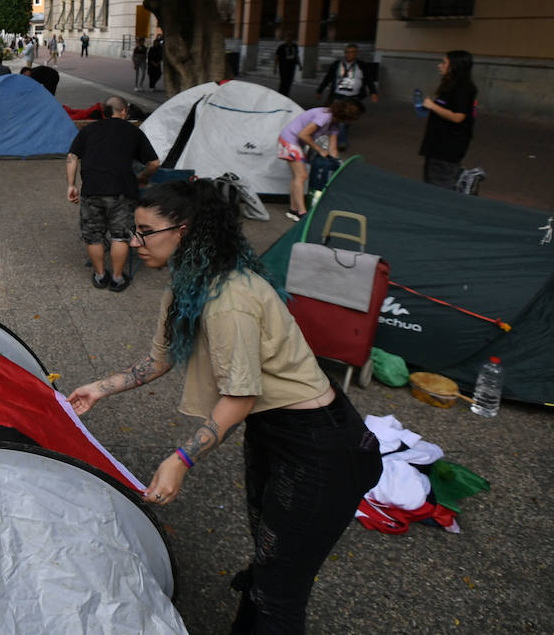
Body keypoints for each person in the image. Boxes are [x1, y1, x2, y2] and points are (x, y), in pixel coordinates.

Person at [68, 179, 382, 634]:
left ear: (186, 230)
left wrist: (180, 459)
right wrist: (99, 388)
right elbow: (159, 359)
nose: (134, 242)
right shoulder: (187, 285)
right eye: (133, 231)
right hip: (275, 432)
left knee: (280, 588)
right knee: (269, 559)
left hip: (322, 446)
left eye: (144, 231)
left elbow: (240, 396)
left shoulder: (228, 300)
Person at [66, 96, 159, 292]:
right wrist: (143, 178)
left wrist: (71, 185)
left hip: (92, 190)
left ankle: (100, 276)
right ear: (124, 111)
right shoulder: (133, 131)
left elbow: (72, 157)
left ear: (104, 112)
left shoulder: (89, 130)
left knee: (93, 236)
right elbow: (154, 163)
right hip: (123, 192)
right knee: (120, 236)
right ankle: (117, 279)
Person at [277, 100, 361, 221]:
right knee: (302, 176)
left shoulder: (335, 124)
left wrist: (338, 163)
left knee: (297, 177)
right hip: (289, 139)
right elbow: (303, 134)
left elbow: (333, 149)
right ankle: (302, 212)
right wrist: (320, 150)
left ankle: (293, 210)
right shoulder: (325, 117)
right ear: (344, 117)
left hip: (296, 142)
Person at [419, 50, 477, 189]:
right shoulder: (450, 85)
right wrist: (433, 105)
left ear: (455, 66)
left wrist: (433, 106)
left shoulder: (463, 88)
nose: (440, 65)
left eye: (444, 63)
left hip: (447, 147)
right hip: (437, 144)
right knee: (432, 180)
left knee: (439, 184)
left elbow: (458, 116)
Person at [316, 44, 378, 149]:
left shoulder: (362, 65)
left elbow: (368, 80)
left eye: (353, 52)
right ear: (345, 53)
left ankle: (339, 133)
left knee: (347, 118)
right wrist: (320, 90)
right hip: (338, 95)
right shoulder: (337, 64)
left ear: (356, 53)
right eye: (348, 52)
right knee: (340, 119)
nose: (351, 54)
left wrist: (373, 92)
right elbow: (328, 78)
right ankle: (341, 142)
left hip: (353, 97)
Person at [274, 32, 301, 97]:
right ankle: (280, 95)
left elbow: (296, 56)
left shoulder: (295, 46)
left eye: (290, 37)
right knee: (283, 81)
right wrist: (275, 67)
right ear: (285, 38)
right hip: (283, 67)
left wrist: (299, 64)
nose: (289, 38)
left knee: (289, 81)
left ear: (292, 38)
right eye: (287, 37)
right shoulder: (281, 47)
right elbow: (277, 57)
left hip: (291, 67)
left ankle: (286, 95)